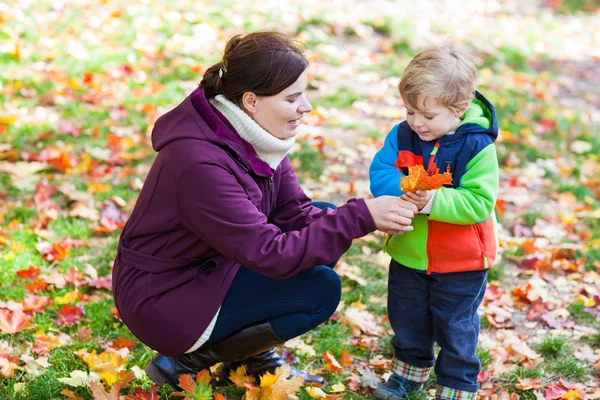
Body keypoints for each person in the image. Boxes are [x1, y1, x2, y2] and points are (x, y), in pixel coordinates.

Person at [111, 30, 418, 390]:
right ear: (252, 100)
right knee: (318, 290)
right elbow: (270, 253)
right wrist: (361, 216)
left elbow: (296, 214)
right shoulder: (199, 164)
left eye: (305, 93)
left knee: (321, 217)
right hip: (162, 298)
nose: (305, 107)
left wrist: (357, 217)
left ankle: (254, 357)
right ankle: (186, 360)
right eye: (292, 98)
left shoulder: (250, 133)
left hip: (212, 263)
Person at [369, 43, 499, 400]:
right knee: (407, 318)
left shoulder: (477, 146)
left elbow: (479, 203)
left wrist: (431, 200)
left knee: (455, 325)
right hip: (409, 251)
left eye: (427, 115)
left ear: (458, 109)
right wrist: (408, 188)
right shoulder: (403, 135)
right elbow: (381, 173)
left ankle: (456, 386)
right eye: (410, 111)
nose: (417, 122)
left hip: (462, 259)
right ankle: (408, 374)